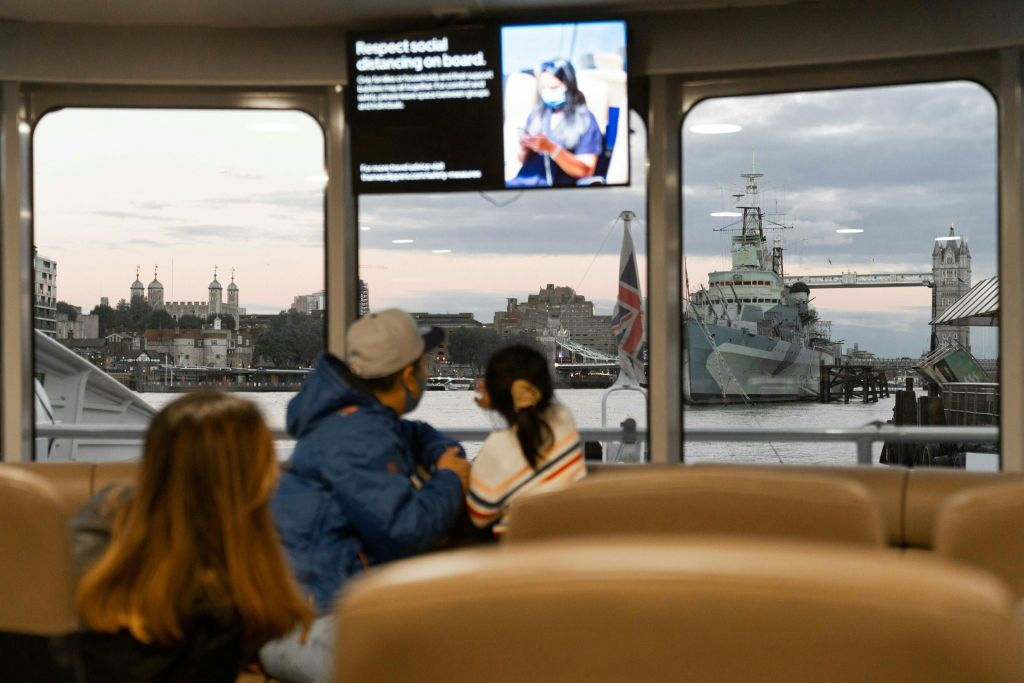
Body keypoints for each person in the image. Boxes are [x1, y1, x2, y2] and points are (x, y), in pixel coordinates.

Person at [261, 308, 470, 682]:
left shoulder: (354, 422)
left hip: (313, 614)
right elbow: (406, 531)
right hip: (313, 628)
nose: (428, 372)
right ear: (408, 375)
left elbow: (416, 434)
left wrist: (441, 454)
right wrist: (450, 481)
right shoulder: (357, 439)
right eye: (425, 364)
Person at [72, 391, 313, 683]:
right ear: (249, 479)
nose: (274, 473)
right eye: (267, 460)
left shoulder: (104, 526)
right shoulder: (225, 604)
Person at [467, 345, 586, 535]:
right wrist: (500, 400)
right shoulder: (563, 417)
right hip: (569, 546)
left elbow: (480, 515)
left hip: (517, 557)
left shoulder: (496, 448)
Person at [508, 58, 604, 188]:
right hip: (522, 183)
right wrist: (525, 148)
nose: (548, 92)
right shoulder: (537, 115)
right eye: (544, 88)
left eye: (554, 87)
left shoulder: (585, 120)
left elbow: (585, 171)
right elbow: (523, 160)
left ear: (568, 85)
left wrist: (552, 149)